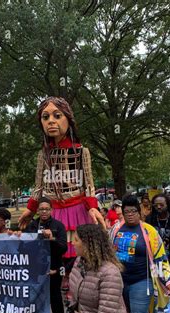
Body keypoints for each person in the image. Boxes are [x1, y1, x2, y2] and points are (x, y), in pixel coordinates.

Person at [18, 97, 105, 302]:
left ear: (68, 119)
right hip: (52, 213)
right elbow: (39, 185)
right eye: (45, 117)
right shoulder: (43, 155)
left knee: (78, 253)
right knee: (53, 252)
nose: (51, 121)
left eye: (57, 116)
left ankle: (81, 290)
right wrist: (31, 208)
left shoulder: (81, 152)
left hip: (77, 210)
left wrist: (92, 206)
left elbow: (89, 184)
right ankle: (57, 291)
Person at [110, 195, 170, 313]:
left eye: (133, 211)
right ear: (122, 214)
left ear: (139, 213)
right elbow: (108, 253)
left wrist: (168, 279)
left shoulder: (149, 231)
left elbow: (160, 256)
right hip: (120, 281)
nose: (130, 214)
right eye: (126, 212)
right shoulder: (115, 229)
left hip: (142, 281)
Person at [66, 224, 132, 313]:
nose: (72, 243)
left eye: (76, 240)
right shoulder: (79, 262)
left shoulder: (110, 273)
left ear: (88, 244)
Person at [19, 197, 67, 313]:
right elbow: (23, 248)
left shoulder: (58, 226)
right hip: (35, 272)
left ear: (52, 210)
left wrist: (51, 238)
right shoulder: (32, 225)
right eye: (41, 209)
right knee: (32, 304)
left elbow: (63, 248)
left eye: (47, 209)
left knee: (56, 302)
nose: (44, 212)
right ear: (37, 211)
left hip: (53, 270)